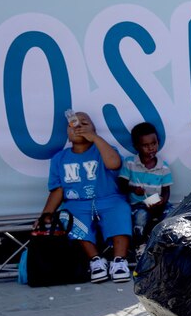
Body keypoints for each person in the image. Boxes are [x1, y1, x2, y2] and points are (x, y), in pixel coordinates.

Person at [41, 111, 132, 283]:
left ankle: (119, 261)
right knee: (66, 217)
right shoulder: (59, 159)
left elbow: (114, 163)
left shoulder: (103, 149)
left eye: (84, 123)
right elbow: (58, 190)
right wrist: (46, 213)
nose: (78, 126)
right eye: (73, 124)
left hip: (109, 199)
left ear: (94, 130)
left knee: (120, 210)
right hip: (77, 204)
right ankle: (96, 260)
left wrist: (95, 138)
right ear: (67, 135)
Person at [117, 122, 172, 250]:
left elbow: (166, 190)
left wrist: (163, 201)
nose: (151, 148)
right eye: (145, 145)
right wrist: (133, 190)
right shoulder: (130, 163)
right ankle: (139, 246)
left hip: (157, 203)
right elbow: (121, 185)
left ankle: (164, 245)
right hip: (138, 204)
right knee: (140, 218)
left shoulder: (163, 166)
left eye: (154, 143)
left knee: (171, 214)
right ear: (136, 146)